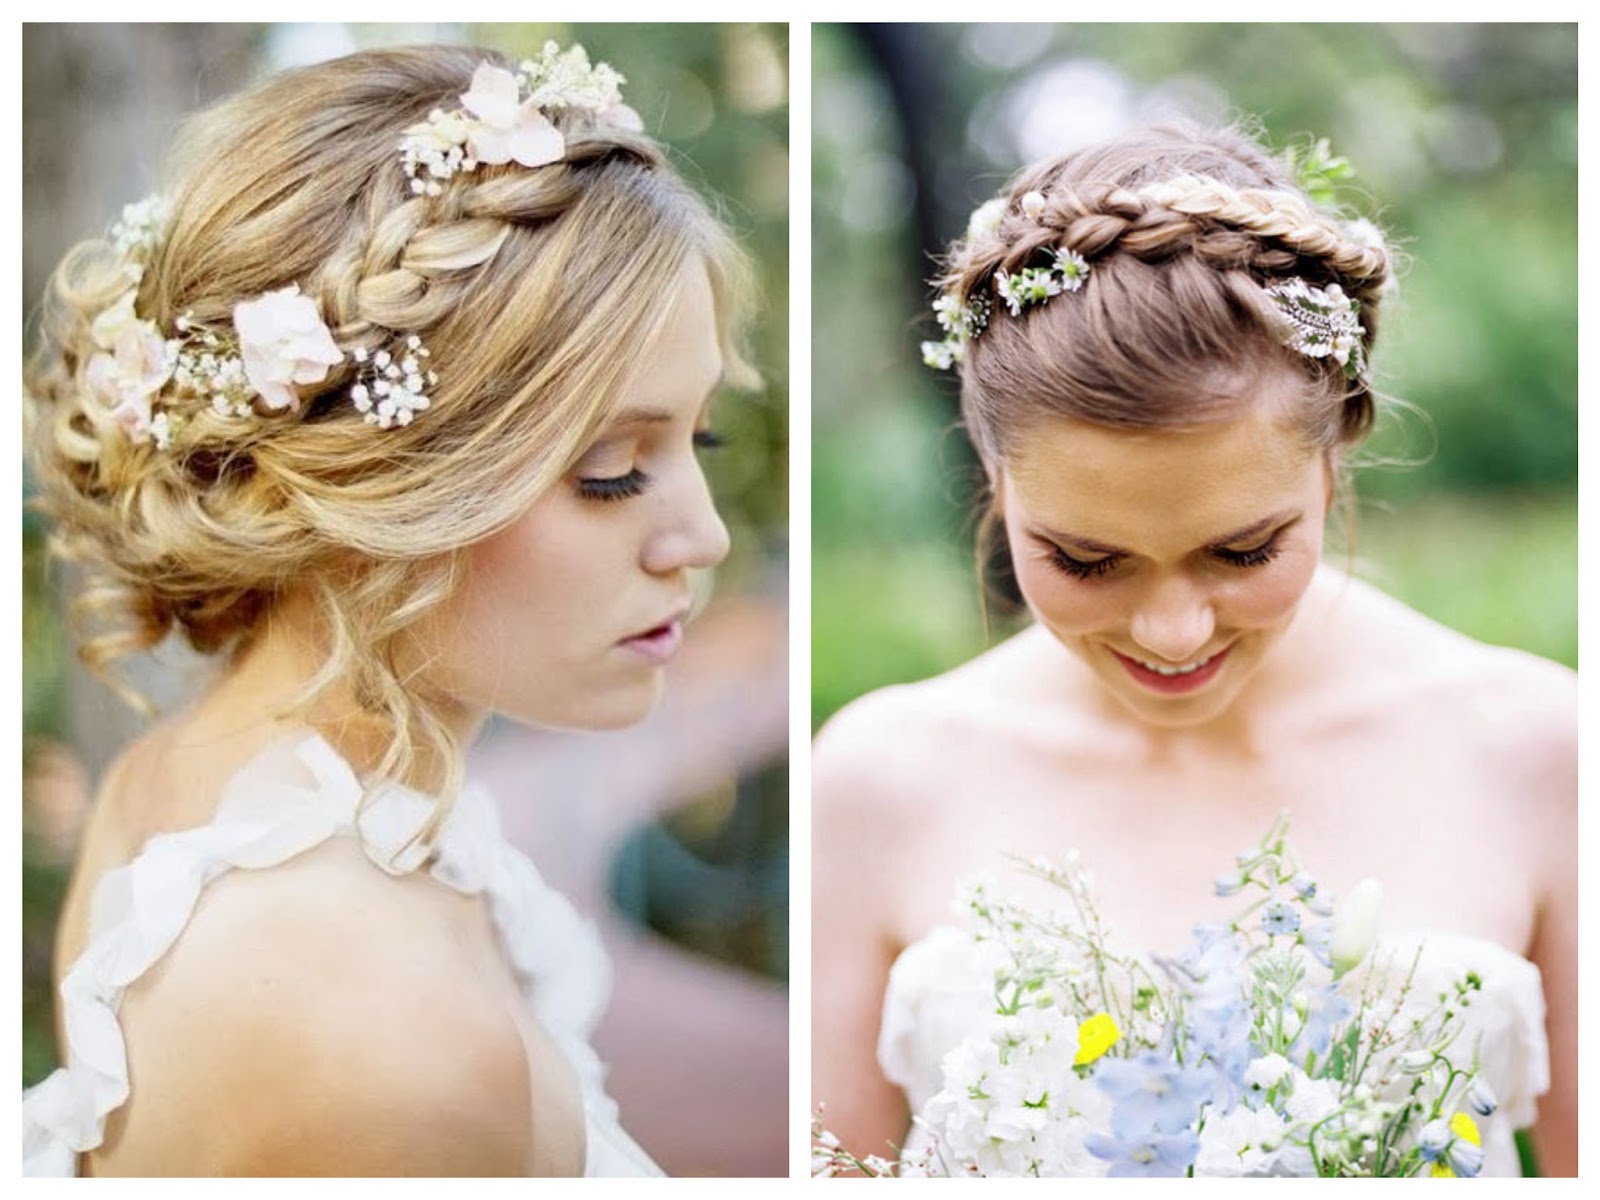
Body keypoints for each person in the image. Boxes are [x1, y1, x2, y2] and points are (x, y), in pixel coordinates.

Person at [23, 41, 758, 1176]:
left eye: (693, 438)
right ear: (378, 484)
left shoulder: (174, 787)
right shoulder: (398, 1055)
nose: (700, 537)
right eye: (611, 467)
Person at [812, 124, 1575, 1176]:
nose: (1172, 632)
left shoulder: (1541, 749)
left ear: (1334, 455)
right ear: (993, 475)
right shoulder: (877, 777)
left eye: (1243, 549)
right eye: (1085, 560)